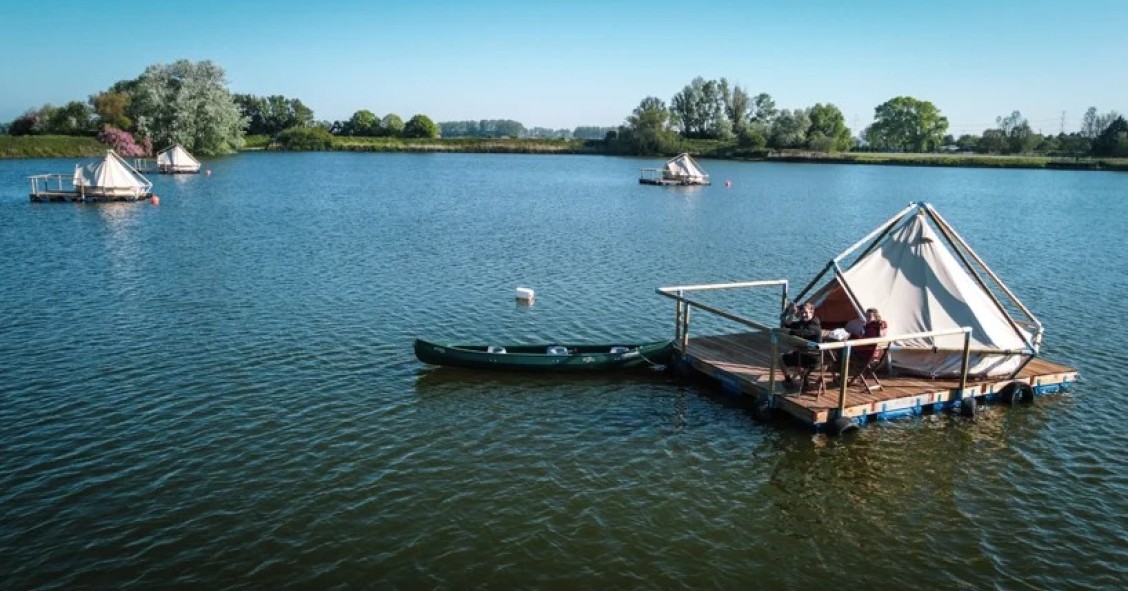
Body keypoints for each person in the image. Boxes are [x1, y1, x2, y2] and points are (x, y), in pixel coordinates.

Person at [780, 302, 822, 383]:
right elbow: (787, 325)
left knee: (781, 357)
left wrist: (789, 332)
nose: (803, 315)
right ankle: (804, 379)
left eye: (805, 313)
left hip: (812, 358)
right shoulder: (803, 322)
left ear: (811, 312)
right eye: (802, 313)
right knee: (791, 353)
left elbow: (804, 332)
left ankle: (788, 380)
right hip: (806, 354)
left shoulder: (815, 324)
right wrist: (791, 314)